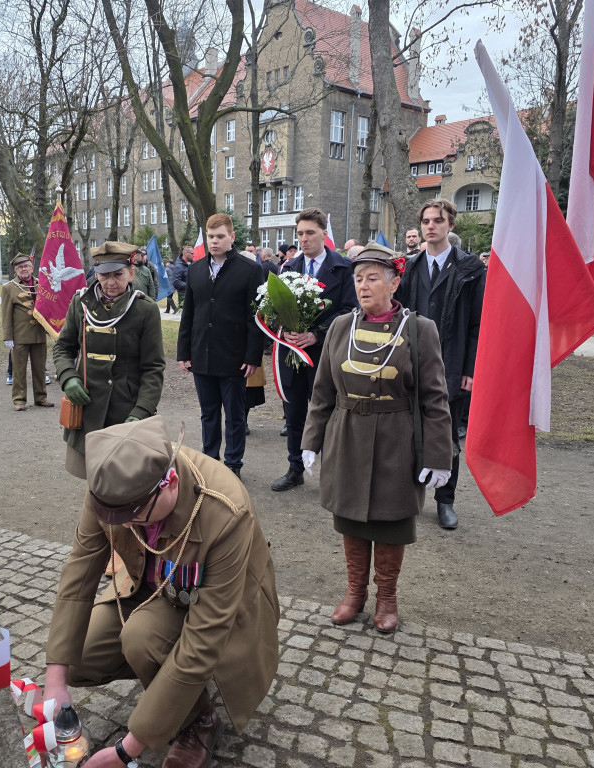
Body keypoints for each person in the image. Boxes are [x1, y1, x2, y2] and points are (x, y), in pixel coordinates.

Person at [43, 416, 279, 768]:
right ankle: (163, 683)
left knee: (141, 638)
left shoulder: (225, 510)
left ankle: (198, 721)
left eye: (136, 517)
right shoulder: (113, 486)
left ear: (169, 482)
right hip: (147, 589)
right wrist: (55, 681)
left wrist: (127, 750)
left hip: (215, 607)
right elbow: (79, 572)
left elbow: (206, 636)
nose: (124, 525)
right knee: (79, 657)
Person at [301, 244, 452, 631]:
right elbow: (322, 392)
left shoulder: (420, 330)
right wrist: (310, 441)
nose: (363, 286)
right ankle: (355, 593)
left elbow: (435, 398)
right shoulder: (339, 327)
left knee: (390, 520)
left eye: (372, 278)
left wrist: (439, 454)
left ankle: (387, 598)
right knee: (350, 517)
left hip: (395, 437)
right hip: (347, 433)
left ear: (395, 282)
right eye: (358, 278)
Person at [396, 200, 485, 530]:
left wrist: (471, 370)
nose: (430, 226)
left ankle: (445, 500)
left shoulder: (471, 269)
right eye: (426, 221)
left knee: (445, 437)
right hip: (412, 362)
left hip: (451, 363)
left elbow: (478, 324)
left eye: (438, 220)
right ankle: (410, 494)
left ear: (450, 225)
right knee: (407, 432)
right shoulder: (410, 267)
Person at [53, 241, 165, 479]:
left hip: (125, 408)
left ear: (131, 272)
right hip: (86, 405)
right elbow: (63, 347)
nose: (111, 283)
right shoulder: (81, 303)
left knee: (124, 482)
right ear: (96, 274)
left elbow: (153, 368)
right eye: (104, 275)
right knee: (94, 481)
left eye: (118, 275)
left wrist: (142, 410)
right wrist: (68, 378)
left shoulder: (144, 310)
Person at [271, 208, 358, 492]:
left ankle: (333, 471)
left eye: (310, 233)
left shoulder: (343, 268)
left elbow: (349, 311)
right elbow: (274, 309)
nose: (304, 239)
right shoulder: (288, 268)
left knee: (329, 413)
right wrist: (285, 329)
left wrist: (316, 335)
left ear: (324, 233)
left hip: (325, 354)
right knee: (294, 412)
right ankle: (295, 467)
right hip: (293, 353)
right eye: (300, 234)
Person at [177, 214, 264, 477]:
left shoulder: (250, 270)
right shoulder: (195, 269)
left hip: (234, 357)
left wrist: (253, 356)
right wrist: (184, 351)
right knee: (209, 413)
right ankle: (210, 462)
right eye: (211, 237)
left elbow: (256, 318)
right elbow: (188, 314)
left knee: (235, 415)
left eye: (220, 237)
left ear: (231, 237)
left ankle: (233, 465)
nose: (214, 242)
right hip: (201, 355)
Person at [2, 253, 52, 411]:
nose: (24, 269)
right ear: (16, 270)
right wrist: (7, 337)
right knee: (19, 369)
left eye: (26, 266)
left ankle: (41, 397)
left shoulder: (42, 284)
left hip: (39, 334)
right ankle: (19, 399)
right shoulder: (9, 288)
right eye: (20, 267)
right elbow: (6, 314)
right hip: (20, 336)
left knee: (40, 368)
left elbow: (49, 306)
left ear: (32, 268)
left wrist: (51, 326)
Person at [170, 244, 192, 311]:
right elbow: (176, 282)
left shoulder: (192, 265)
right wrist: (190, 285)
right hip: (183, 297)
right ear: (185, 253)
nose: (193, 255)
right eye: (192, 253)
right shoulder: (178, 266)